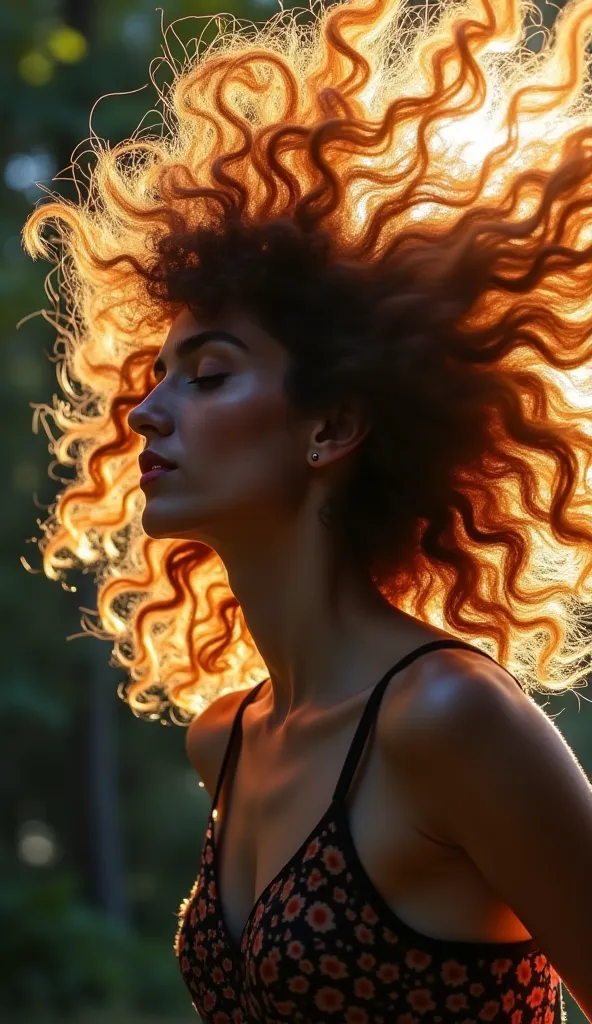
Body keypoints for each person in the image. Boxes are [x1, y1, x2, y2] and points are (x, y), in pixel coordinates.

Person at [22, 0, 592, 1019]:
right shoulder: (223, 739)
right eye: (158, 374)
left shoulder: (450, 718)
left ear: (330, 427)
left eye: (208, 374)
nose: (146, 411)